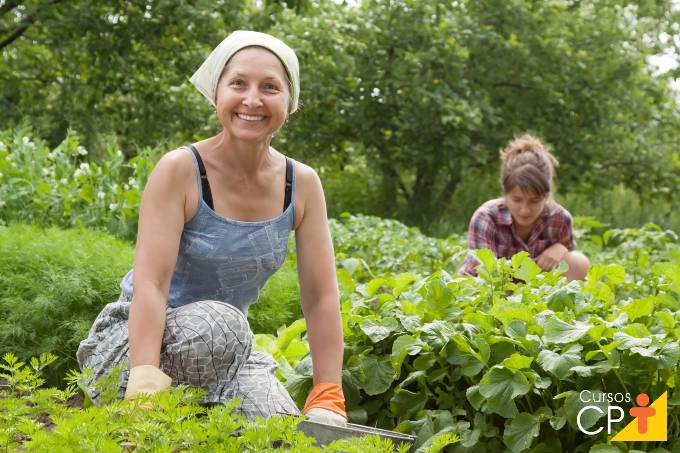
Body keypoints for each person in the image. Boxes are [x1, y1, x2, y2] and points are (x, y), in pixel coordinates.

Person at [77, 30, 346, 426]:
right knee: (223, 326)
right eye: (238, 83)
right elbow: (151, 284)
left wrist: (328, 390)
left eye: (270, 87)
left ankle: (197, 421)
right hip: (132, 349)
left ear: (290, 102)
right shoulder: (181, 169)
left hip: (228, 354)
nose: (252, 100)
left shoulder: (301, 183)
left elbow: (321, 296)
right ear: (216, 92)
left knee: (286, 436)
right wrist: (144, 377)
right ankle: (143, 413)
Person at [459, 134, 589, 281]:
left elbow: (569, 273)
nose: (524, 210)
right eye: (517, 200)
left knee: (578, 262)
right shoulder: (486, 217)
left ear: (546, 195)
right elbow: (482, 275)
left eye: (534, 201)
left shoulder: (560, 219)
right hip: (487, 293)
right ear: (505, 192)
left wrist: (561, 248)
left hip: (534, 295)